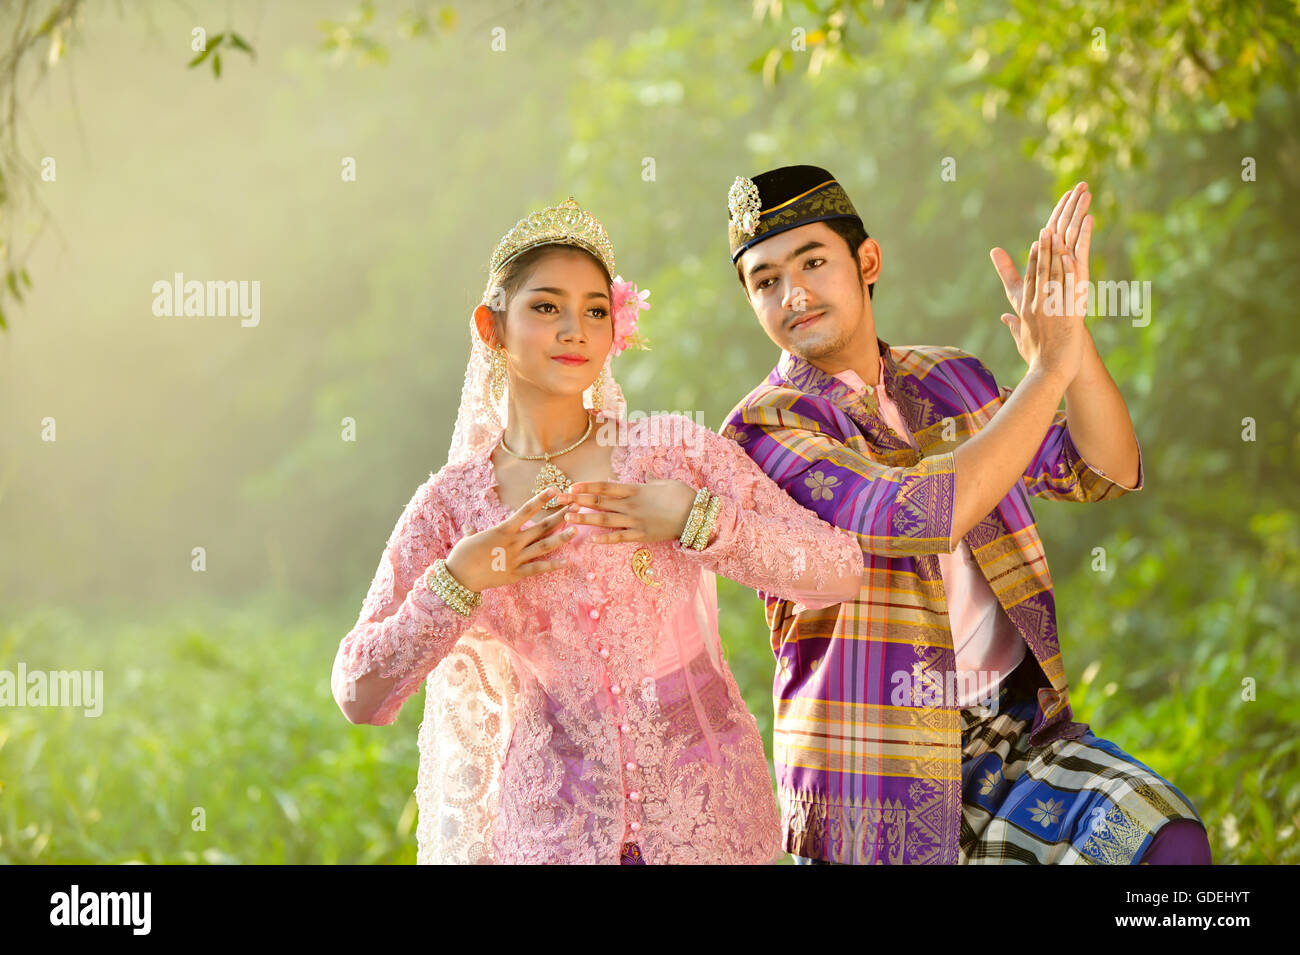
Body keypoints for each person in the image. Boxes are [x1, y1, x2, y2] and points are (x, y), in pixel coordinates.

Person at [330, 196, 864, 864]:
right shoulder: (452, 506)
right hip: (552, 836)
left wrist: (696, 518)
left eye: (594, 310)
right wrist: (459, 578)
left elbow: (839, 567)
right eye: (546, 307)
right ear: (491, 326)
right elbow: (360, 691)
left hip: (714, 824)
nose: (574, 330)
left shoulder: (671, 451)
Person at [719, 165, 1211, 864]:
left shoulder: (951, 377)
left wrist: (1069, 346)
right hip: (871, 775)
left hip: (1014, 737)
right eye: (765, 280)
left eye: (813, 261)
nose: (791, 293)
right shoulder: (763, 429)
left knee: (1170, 847)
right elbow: (916, 514)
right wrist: (1044, 374)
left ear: (868, 260)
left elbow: (1102, 467)